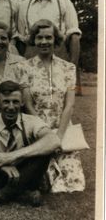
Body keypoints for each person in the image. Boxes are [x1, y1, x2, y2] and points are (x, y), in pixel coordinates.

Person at [22, 20, 85, 193]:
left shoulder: (68, 68)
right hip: (36, 128)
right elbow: (27, 104)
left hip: (62, 127)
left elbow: (69, 105)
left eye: (48, 37)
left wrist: (58, 136)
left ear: (55, 39)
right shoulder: (24, 67)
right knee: (41, 180)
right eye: (39, 37)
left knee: (74, 182)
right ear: (34, 40)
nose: (43, 42)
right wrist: (44, 133)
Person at [17, 0, 81, 66]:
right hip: (32, 61)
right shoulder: (24, 6)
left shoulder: (63, 2)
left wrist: (72, 67)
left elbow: (74, 36)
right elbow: (21, 40)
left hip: (59, 59)